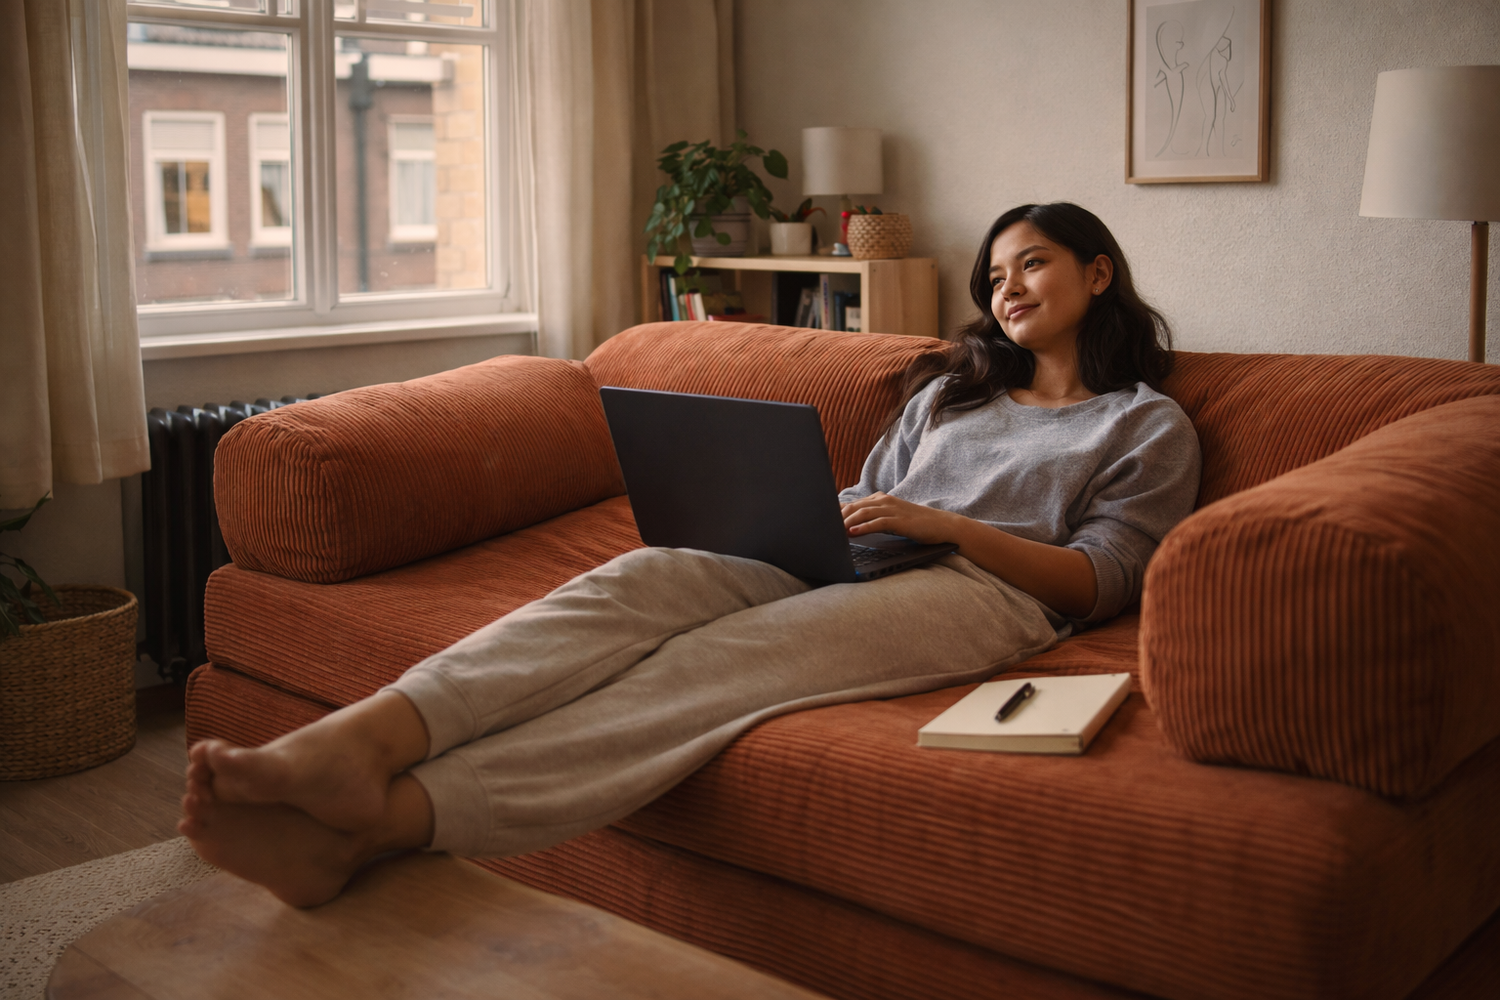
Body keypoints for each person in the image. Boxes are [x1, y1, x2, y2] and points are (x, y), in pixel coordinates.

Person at [179, 202, 1202, 907]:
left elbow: (1107, 581)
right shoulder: (951, 387)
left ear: (1097, 272)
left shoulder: (1145, 426)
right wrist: (780, 514)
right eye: (994, 273)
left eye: (1031, 262)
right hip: (845, 543)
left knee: (711, 664)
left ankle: (388, 819)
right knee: (637, 579)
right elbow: (870, 490)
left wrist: (950, 527)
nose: (1007, 286)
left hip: (984, 590)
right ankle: (362, 740)